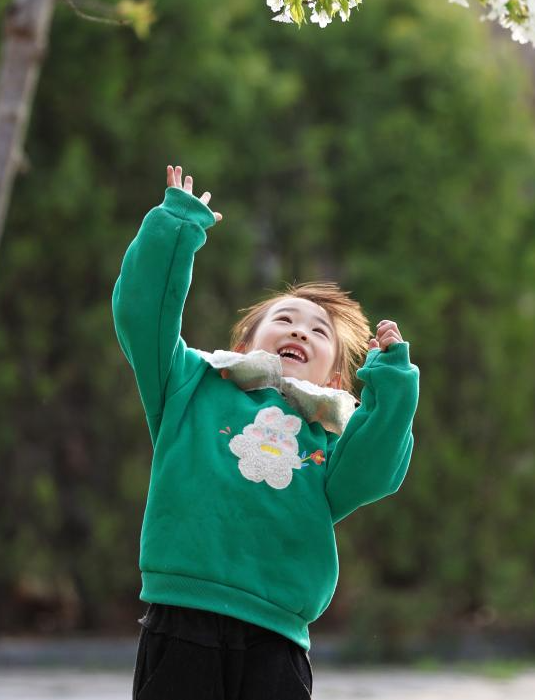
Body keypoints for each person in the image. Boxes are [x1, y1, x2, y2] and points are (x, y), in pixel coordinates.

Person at [112, 165, 420, 699]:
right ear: (246, 341)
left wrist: (392, 381)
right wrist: (175, 229)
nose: (300, 329)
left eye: (318, 331)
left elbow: (380, 461)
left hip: (277, 639)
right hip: (183, 618)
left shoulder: (331, 440)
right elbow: (143, 315)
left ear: (335, 378)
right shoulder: (190, 384)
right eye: (284, 320)